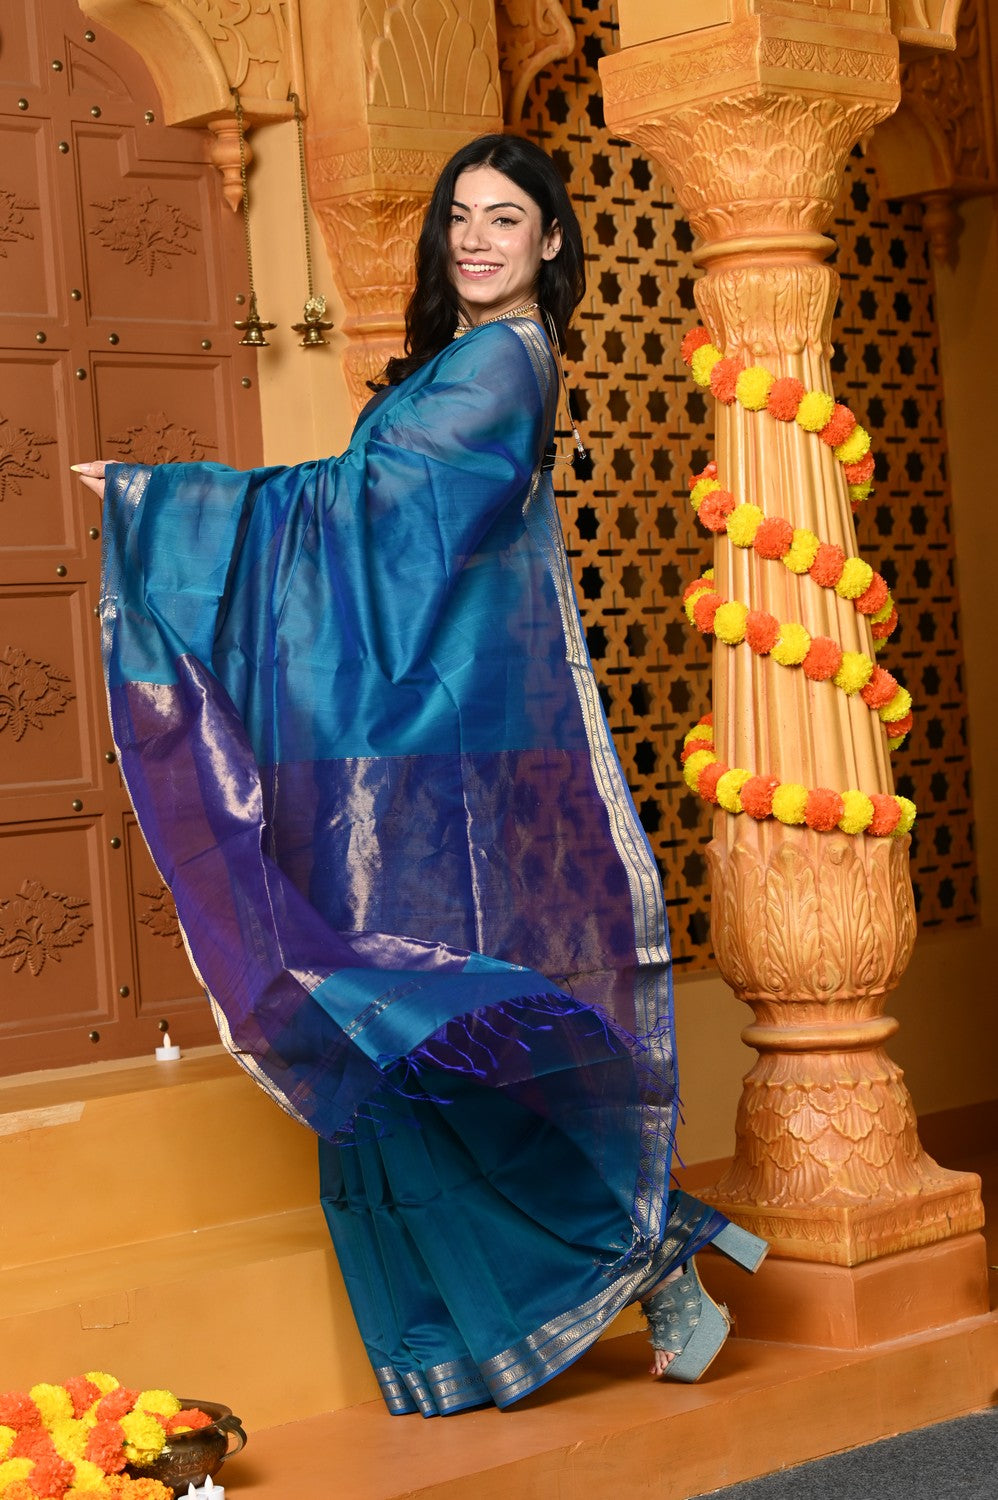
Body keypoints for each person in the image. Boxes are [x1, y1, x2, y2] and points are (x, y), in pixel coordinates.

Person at [74, 133, 766, 1418]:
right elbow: (364, 526)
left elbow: (370, 508)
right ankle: (590, 1282)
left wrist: (165, 504)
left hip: (449, 755)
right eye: (461, 216)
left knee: (424, 1019)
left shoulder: (504, 363)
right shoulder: (455, 359)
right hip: (395, 742)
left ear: (549, 240)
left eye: (505, 218)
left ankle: (648, 1246)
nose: (477, 239)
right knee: (394, 1034)